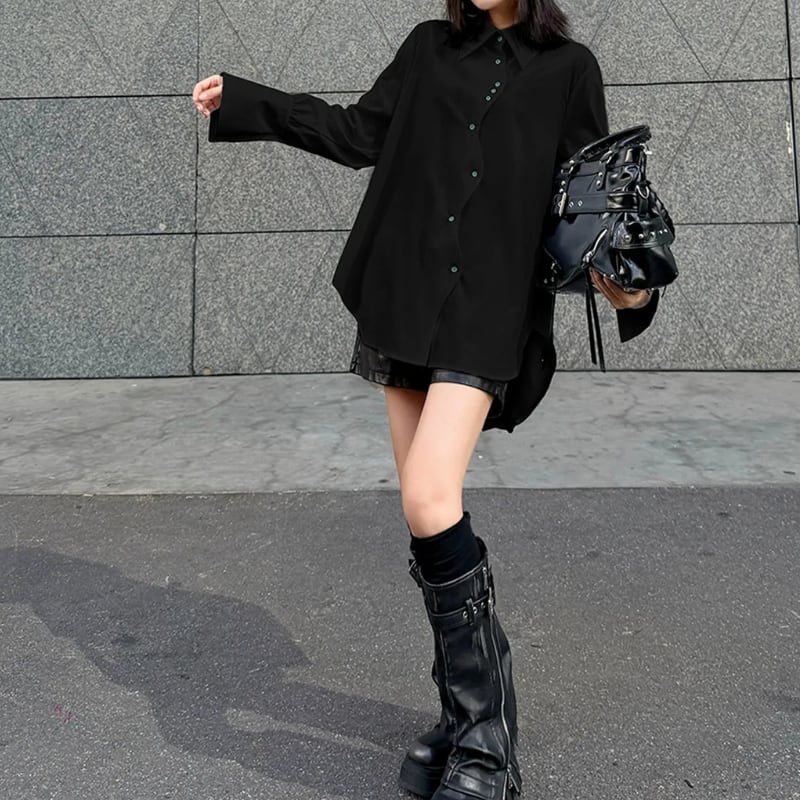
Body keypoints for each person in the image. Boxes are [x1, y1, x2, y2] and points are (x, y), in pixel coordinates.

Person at [193, 1, 660, 798]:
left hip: (488, 311)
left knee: (429, 495)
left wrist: (632, 284)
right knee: (424, 514)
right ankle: (463, 714)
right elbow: (358, 134)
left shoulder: (569, 69)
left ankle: (488, 746)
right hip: (408, 298)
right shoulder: (428, 48)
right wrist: (249, 103)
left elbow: (592, 198)